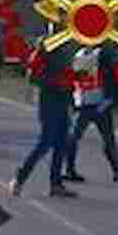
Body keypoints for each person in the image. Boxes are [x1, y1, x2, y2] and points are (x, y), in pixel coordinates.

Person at [9, 30, 79, 198]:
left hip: (63, 99)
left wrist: (72, 83)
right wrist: (58, 81)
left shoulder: (67, 47)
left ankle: (56, 184)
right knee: (46, 141)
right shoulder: (47, 46)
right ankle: (20, 177)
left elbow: (68, 73)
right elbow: (36, 74)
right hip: (49, 99)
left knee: (62, 142)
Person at [62, 46, 118, 183]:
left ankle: (70, 170)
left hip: (85, 103)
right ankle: (116, 170)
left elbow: (74, 80)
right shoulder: (101, 55)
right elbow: (113, 78)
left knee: (75, 138)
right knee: (105, 139)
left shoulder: (79, 55)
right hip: (96, 103)